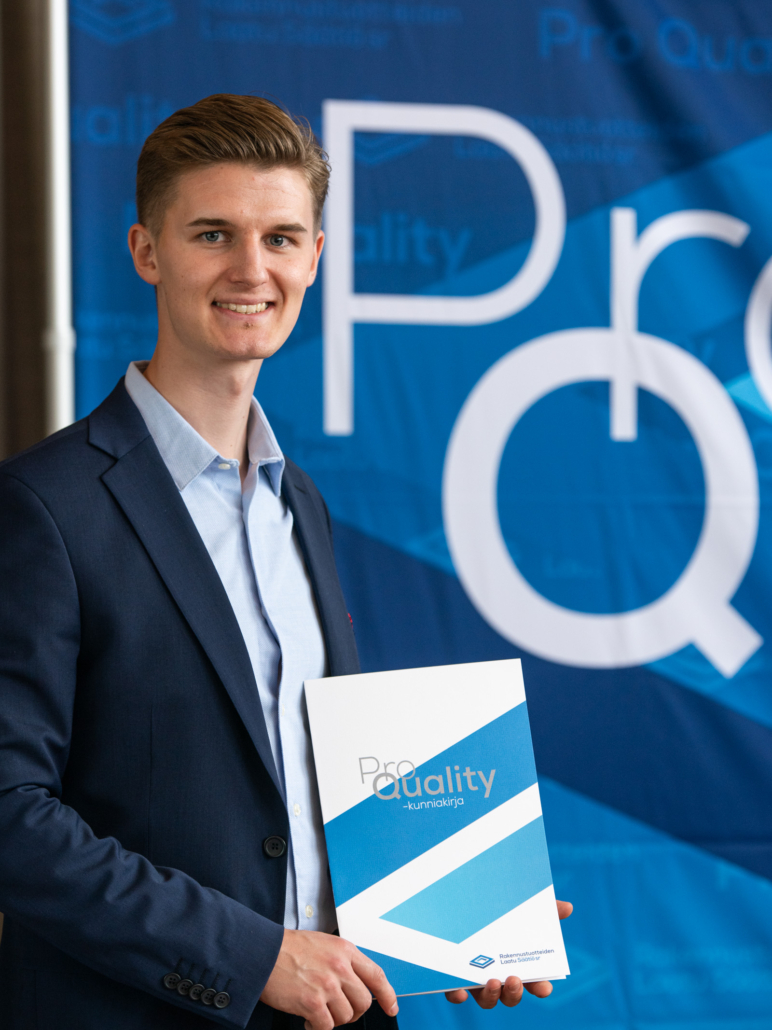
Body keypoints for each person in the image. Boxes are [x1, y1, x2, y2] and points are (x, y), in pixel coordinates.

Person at [0, 94, 571, 1029]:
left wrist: (454, 920)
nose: (251, 269)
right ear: (147, 251)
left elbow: (297, 806)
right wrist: (250, 957)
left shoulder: (298, 502)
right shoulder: (41, 506)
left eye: (280, 238)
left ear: (313, 257)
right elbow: (11, 816)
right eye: (213, 235)